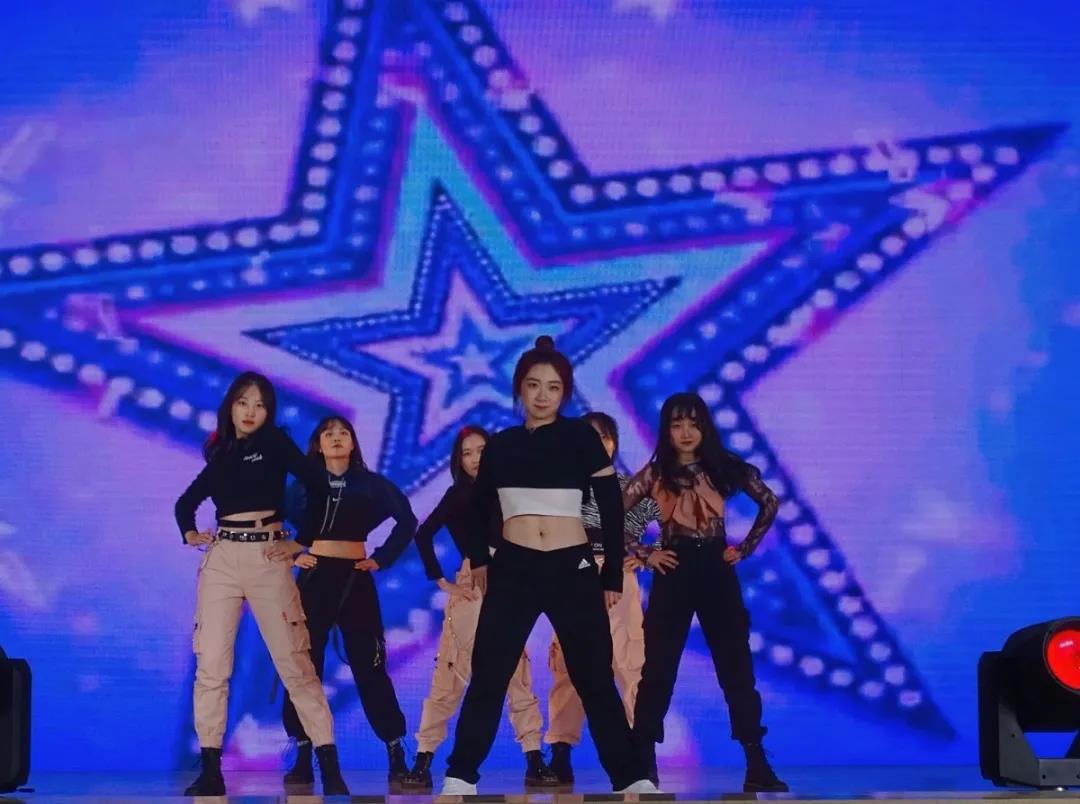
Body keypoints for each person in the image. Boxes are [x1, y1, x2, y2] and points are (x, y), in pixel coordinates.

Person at [440, 336, 658, 796]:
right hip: (514, 568)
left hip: (571, 567)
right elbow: (478, 509)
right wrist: (480, 558)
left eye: (554, 387)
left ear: (565, 393)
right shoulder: (501, 445)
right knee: (490, 672)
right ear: (520, 388)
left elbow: (611, 506)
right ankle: (461, 774)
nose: (542, 395)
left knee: (594, 675)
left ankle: (630, 775)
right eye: (534, 385)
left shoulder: (581, 437)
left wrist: (611, 571)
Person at [174, 372, 348, 797]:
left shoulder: (275, 444)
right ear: (230, 407)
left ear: (269, 411)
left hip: (267, 556)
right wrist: (190, 533)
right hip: (222, 559)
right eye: (243, 403)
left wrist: (302, 541)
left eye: (260, 404)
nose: (250, 412)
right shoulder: (221, 452)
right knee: (212, 664)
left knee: (295, 663)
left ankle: (329, 765)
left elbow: (318, 485)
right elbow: (185, 503)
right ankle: (210, 768)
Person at [623, 392, 787, 792]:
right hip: (674, 567)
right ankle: (643, 761)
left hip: (716, 566)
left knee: (736, 666)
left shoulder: (723, 466)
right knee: (658, 668)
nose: (685, 432)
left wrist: (744, 549)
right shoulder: (656, 472)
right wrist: (646, 553)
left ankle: (756, 760)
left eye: (693, 424)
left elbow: (769, 501)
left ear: (705, 427)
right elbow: (612, 517)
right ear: (666, 430)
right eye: (676, 424)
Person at [402, 426, 558, 790]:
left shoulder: (510, 491)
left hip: (510, 580)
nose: (474, 459)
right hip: (473, 584)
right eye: (467, 453)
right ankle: (423, 758)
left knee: (516, 667)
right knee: (452, 668)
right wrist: (442, 581)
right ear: (458, 460)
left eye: (481, 451)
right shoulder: (458, 494)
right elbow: (423, 534)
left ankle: (534, 757)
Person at [280, 415, 417, 789]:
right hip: (315, 578)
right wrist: (294, 554)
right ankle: (303, 751)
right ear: (318, 444)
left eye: (344, 433)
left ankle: (395, 750)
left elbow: (407, 521)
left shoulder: (371, 484)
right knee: (305, 663)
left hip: (356, 578)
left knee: (370, 662)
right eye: (329, 433)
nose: (337, 437)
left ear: (354, 442)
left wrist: (382, 558)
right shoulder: (303, 485)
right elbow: (273, 521)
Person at [544, 411, 660, 785]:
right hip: (571, 580)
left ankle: (641, 754)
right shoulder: (560, 491)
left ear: (614, 444)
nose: (598, 444)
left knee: (628, 664)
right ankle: (560, 752)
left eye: (605, 436)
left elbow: (677, 521)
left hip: (618, 580)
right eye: (589, 437)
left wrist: (647, 554)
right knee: (568, 666)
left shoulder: (632, 489)